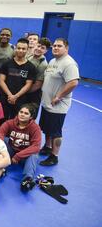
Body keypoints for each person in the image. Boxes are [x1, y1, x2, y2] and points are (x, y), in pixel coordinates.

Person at [38, 38, 79, 166]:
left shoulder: (69, 63)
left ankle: (54, 156)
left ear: (66, 48)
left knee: (55, 131)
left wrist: (59, 96)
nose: (55, 48)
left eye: (59, 46)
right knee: (47, 128)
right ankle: (47, 146)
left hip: (57, 105)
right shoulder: (52, 61)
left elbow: (73, 82)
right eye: (54, 46)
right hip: (47, 103)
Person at [0, 104, 41, 191]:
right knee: (0, 141)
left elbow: (36, 146)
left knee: (34, 155)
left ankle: (27, 180)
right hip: (11, 150)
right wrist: (1, 145)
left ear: (31, 117)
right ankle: (0, 169)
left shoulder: (35, 128)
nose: (22, 114)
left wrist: (18, 156)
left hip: (24, 155)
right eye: (21, 112)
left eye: (26, 113)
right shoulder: (10, 123)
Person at [0, 38, 36, 120]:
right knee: (2, 120)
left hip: (20, 100)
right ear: (15, 48)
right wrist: (10, 95)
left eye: (23, 49)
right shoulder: (6, 64)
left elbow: (28, 84)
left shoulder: (31, 67)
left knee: (16, 122)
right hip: (5, 98)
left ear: (27, 50)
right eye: (19, 48)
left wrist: (15, 96)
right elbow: (1, 81)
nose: (21, 50)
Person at [26, 37, 51, 114]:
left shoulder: (43, 64)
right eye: (38, 46)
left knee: (29, 116)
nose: (39, 49)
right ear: (35, 45)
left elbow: (38, 84)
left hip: (32, 95)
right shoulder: (29, 56)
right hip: (24, 90)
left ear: (46, 51)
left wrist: (23, 92)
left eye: (42, 48)